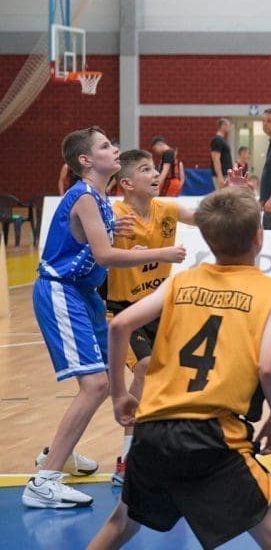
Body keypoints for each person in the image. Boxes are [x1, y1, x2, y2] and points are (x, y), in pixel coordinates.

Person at [86, 187, 271, 550]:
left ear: (206, 237)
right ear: (259, 237)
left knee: (120, 524)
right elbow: (268, 368)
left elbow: (119, 325)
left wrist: (119, 395)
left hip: (153, 429)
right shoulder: (270, 290)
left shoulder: (180, 281)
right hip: (212, 434)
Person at [24, 127, 186, 509]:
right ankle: (44, 481)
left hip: (85, 295)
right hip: (62, 291)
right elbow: (105, 256)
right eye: (104, 146)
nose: (114, 150)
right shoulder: (83, 196)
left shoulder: (99, 198)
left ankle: (60, 454)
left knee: (110, 381)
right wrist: (162, 254)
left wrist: (120, 233)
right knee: (96, 385)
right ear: (86, 160)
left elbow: (98, 244)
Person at [105, 149, 200, 487]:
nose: (156, 174)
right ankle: (127, 460)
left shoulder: (167, 209)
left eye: (155, 169)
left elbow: (208, 218)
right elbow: (95, 253)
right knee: (144, 367)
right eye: (146, 170)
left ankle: (165, 450)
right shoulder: (113, 215)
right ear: (127, 183)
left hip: (160, 308)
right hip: (122, 309)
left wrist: (233, 191)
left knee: (173, 378)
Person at [209, 118, 233, 189]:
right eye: (228, 125)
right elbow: (216, 159)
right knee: (222, 195)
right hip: (222, 175)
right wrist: (220, 176)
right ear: (223, 126)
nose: (230, 128)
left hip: (226, 175)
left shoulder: (222, 140)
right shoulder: (217, 140)